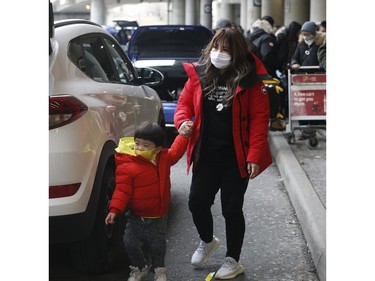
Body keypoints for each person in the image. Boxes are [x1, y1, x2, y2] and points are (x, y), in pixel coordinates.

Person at [175, 27, 273, 280]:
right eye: (216, 48)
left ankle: (233, 260)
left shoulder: (251, 81)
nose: (218, 54)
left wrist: (254, 155)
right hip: (205, 153)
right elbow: (184, 104)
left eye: (226, 50)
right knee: (197, 202)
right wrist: (183, 121)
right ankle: (207, 241)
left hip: (235, 157)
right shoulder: (199, 75)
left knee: (231, 209)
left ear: (237, 53)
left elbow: (260, 119)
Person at [105, 121, 193, 281]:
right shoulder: (127, 165)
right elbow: (122, 191)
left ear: (157, 149)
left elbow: (176, 151)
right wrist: (114, 209)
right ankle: (140, 267)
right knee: (130, 242)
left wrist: (183, 135)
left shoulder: (163, 158)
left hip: (158, 215)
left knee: (157, 245)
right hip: (136, 215)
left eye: (145, 145)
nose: (139, 148)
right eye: (137, 143)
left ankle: (159, 269)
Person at [248, 17, 285, 131]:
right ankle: (274, 120)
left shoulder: (251, 37)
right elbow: (267, 56)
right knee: (277, 92)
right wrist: (279, 63)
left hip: (252, 73)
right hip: (265, 73)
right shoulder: (266, 38)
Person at [290, 21, 326, 139]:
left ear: (313, 33)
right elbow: (294, 58)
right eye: (303, 34)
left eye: (308, 33)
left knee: (317, 102)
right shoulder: (301, 45)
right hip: (302, 81)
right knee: (304, 103)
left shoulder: (320, 45)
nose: (306, 36)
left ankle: (317, 125)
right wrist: (295, 63)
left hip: (318, 81)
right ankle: (305, 128)